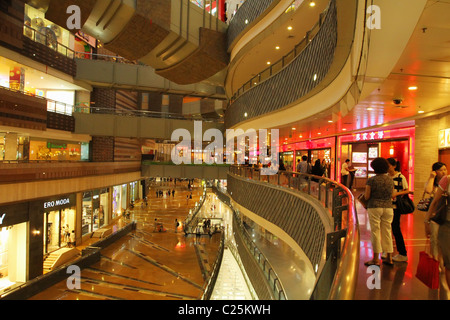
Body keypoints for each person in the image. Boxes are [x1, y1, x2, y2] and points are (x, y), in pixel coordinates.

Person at [363, 157, 395, 266]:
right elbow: (391, 195)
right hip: (388, 207)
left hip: (374, 207)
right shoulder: (390, 179)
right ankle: (389, 257)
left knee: (375, 232)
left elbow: (367, 196)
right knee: (387, 231)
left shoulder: (372, 180)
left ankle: (376, 259)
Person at [425, 172, 450, 290]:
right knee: (449, 263)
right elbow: (434, 201)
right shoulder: (447, 180)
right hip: (447, 225)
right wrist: (427, 221)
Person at [387, 158, 411, 262]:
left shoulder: (401, 177)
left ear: (394, 166)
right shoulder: (387, 177)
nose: (387, 168)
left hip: (395, 207)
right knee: (387, 229)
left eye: (388, 165)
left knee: (396, 229)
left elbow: (407, 190)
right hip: (387, 206)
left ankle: (402, 253)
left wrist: (396, 194)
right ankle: (387, 251)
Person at [423, 162, 447, 261]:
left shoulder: (447, 182)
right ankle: (436, 259)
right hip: (434, 213)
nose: (444, 172)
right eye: (441, 170)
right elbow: (428, 191)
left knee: (443, 238)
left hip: (444, 213)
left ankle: (442, 259)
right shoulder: (432, 182)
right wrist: (432, 177)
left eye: (445, 169)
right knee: (434, 238)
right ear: (435, 171)